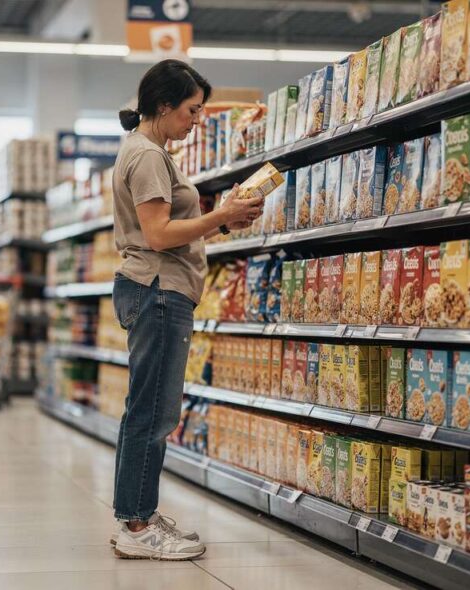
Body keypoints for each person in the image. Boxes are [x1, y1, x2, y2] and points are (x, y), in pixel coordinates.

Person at [109, 59, 264, 561]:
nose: (197, 119)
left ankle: (140, 514)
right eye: (192, 110)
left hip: (159, 288)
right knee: (152, 412)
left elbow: (168, 227)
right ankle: (135, 525)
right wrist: (220, 216)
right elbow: (157, 235)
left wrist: (223, 219)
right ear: (163, 106)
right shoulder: (148, 156)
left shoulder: (150, 151)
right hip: (157, 290)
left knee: (151, 409)